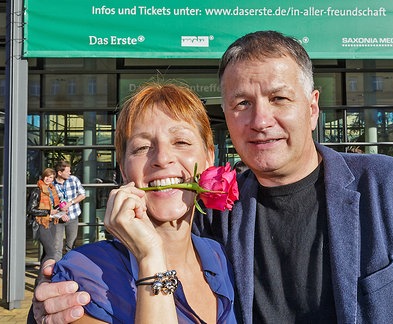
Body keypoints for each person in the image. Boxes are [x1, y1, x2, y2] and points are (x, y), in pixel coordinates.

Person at [31, 31, 393, 323]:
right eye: (242, 103)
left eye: (279, 98)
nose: (261, 120)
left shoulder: (388, 186)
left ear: (313, 107)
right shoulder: (215, 210)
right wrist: (49, 303)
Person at [49, 82, 236, 323]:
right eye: (143, 147)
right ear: (124, 170)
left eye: (181, 142)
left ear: (209, 157)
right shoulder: (83, 276)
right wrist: (150, 259)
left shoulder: (221, 258)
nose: (162, 158)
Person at [27, 168, 63, 264]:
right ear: (43, 177)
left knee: (47, 252)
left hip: (52, 222)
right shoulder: (37, 191)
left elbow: (54, 205)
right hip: (41, 223)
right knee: (51, 252)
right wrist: (48, 212)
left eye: (51, 177)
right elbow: (31, 209)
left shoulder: (52, 190)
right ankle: (43, 277)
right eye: (47, 176)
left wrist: (60, 209)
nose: (48, 179)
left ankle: (41, 277)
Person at [53, 161, 86, 260]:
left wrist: (71, 202)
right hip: (57, 219)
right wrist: (60, 214)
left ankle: (68, 268)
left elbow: (82, 194)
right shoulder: (52, 184)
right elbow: (49, 204)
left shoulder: (74, 180)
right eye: (67, 171)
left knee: (71, 245)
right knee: (57, 247)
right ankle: (57, 270)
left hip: (72, 217)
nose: (70, 173)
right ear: (59, 172)